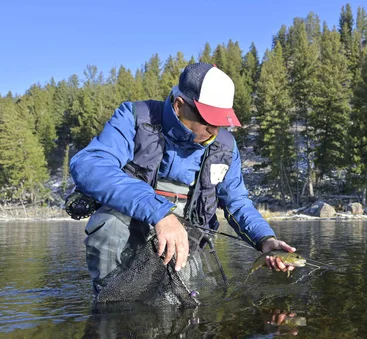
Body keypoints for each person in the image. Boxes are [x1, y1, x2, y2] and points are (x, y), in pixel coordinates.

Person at [70, 62, 296, 295]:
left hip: (190, 238)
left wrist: (265, 240)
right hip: (132, 226)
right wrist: (161, 214)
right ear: (179, 105)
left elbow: (237, 202)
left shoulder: (226, 147)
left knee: (173, 303)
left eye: (220, 122)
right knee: (110, 225)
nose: (215, 131)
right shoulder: (135, 118)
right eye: (208, 121)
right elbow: (89, 165)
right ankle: (111, 310)